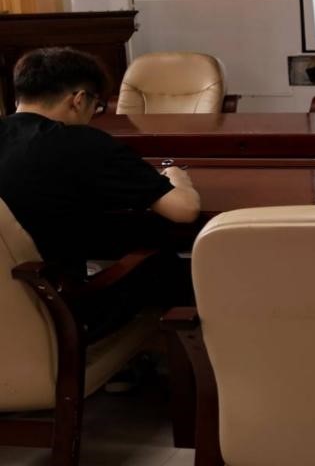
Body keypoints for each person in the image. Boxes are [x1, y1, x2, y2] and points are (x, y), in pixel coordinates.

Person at [0, 48, 200, 337]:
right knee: (166, 265)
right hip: (58, 318)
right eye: (97, 106)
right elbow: (183, 210)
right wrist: (178, 177)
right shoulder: (79, 142)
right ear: (79, 99)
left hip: (11, 318)